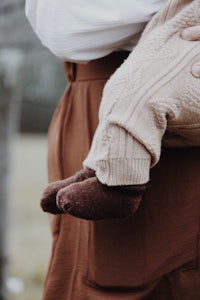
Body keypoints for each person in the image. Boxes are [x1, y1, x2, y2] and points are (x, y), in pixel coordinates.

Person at [26, 0, 200, 299]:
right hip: (116, 85)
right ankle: (104, 175)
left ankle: (118, 184)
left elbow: (66, 25)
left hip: (158, 81)